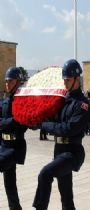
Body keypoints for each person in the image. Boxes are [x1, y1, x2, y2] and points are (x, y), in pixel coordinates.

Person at [33, 59, 90, 210]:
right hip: (59, 151)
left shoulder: (82, 105)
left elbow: (68, 129)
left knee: (45, 174)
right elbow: (50, 118)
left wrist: (44, 125)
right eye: (64, 79)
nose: (65, 83)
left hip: (72, 153)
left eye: (68, 79)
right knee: (66, 196)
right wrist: (35, 120)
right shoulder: (62, 101)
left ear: (77, 79)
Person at [0, 67, 27, 210]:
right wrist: (7, 123)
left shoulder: (22, 102)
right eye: (6, 81)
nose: (7, 84)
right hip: (4, 145)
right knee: (9, 184)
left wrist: (4, 123)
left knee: (9, 183)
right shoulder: (5, 100)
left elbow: (20, 123)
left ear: (18, 82)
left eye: (10, 81)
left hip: (14, 147)